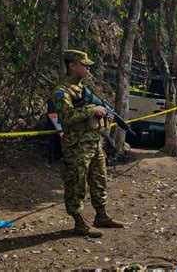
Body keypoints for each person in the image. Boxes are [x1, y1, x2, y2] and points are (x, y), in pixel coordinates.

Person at [53, 49, 125, 238]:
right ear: (72, 66)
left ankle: (101, 216)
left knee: (99, 180)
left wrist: (101, 111)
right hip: (76, 146)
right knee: (76, 183)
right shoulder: (62, 91)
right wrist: (92, 110)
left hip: (93, 142)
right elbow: (66, 117)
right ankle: (79, 223)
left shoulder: (83, 89)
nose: (88, 68)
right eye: (84, 65)